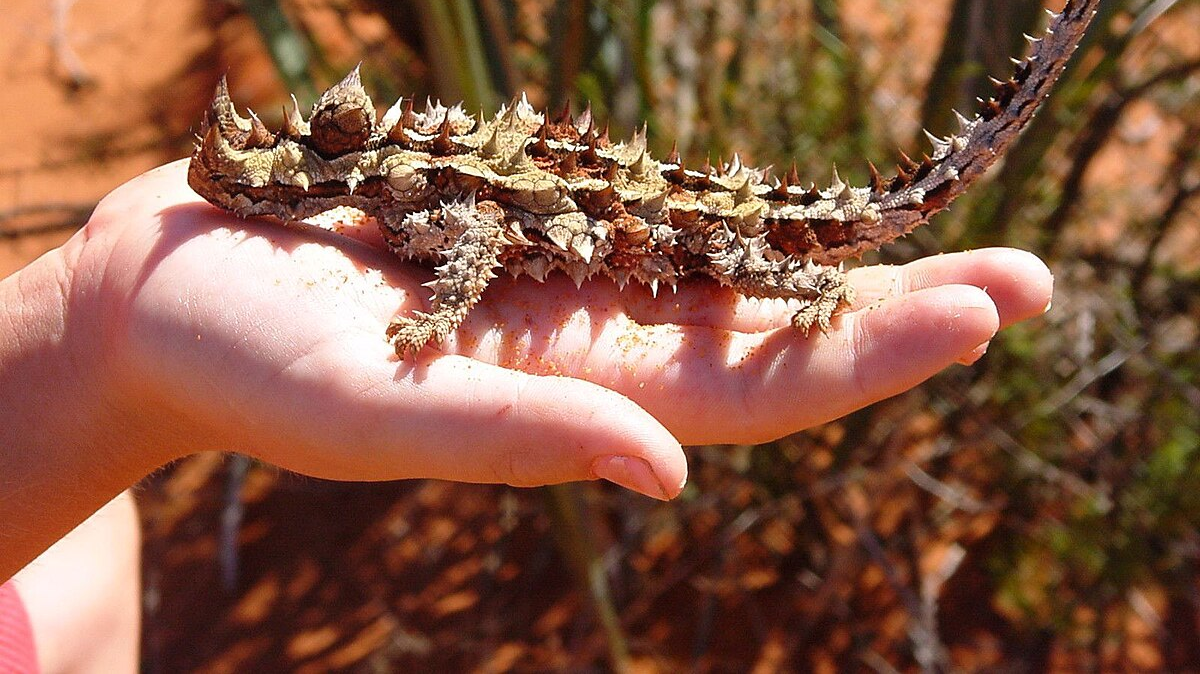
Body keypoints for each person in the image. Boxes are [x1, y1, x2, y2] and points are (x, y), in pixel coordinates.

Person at [0, 160, 1055, 671]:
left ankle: (804, 283)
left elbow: (469, 234)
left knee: (729, 264)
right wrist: (100, 331)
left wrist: (96, 336)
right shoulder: (375, 195)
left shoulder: (406, 193)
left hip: (679, 225)